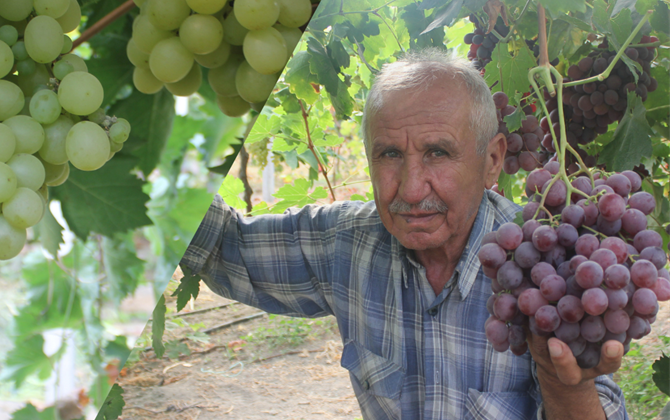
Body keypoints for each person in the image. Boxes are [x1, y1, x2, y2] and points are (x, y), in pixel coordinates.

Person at [180, 49, 627, 420]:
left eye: (437, 152)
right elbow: (222, 243)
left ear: (492, 160)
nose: (411, 189)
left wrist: (561, 384)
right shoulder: (344, 243)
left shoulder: (545, 268)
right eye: (390, 154)